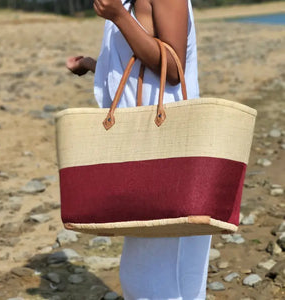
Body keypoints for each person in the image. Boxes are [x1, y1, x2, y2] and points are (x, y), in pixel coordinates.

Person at [66, 0, 212, 299]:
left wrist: (119, 16)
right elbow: (141, 59)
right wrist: (96, 65)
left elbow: (172, 68)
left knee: (145, 275)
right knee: (179, 271)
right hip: (158, 142)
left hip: (166, 144)